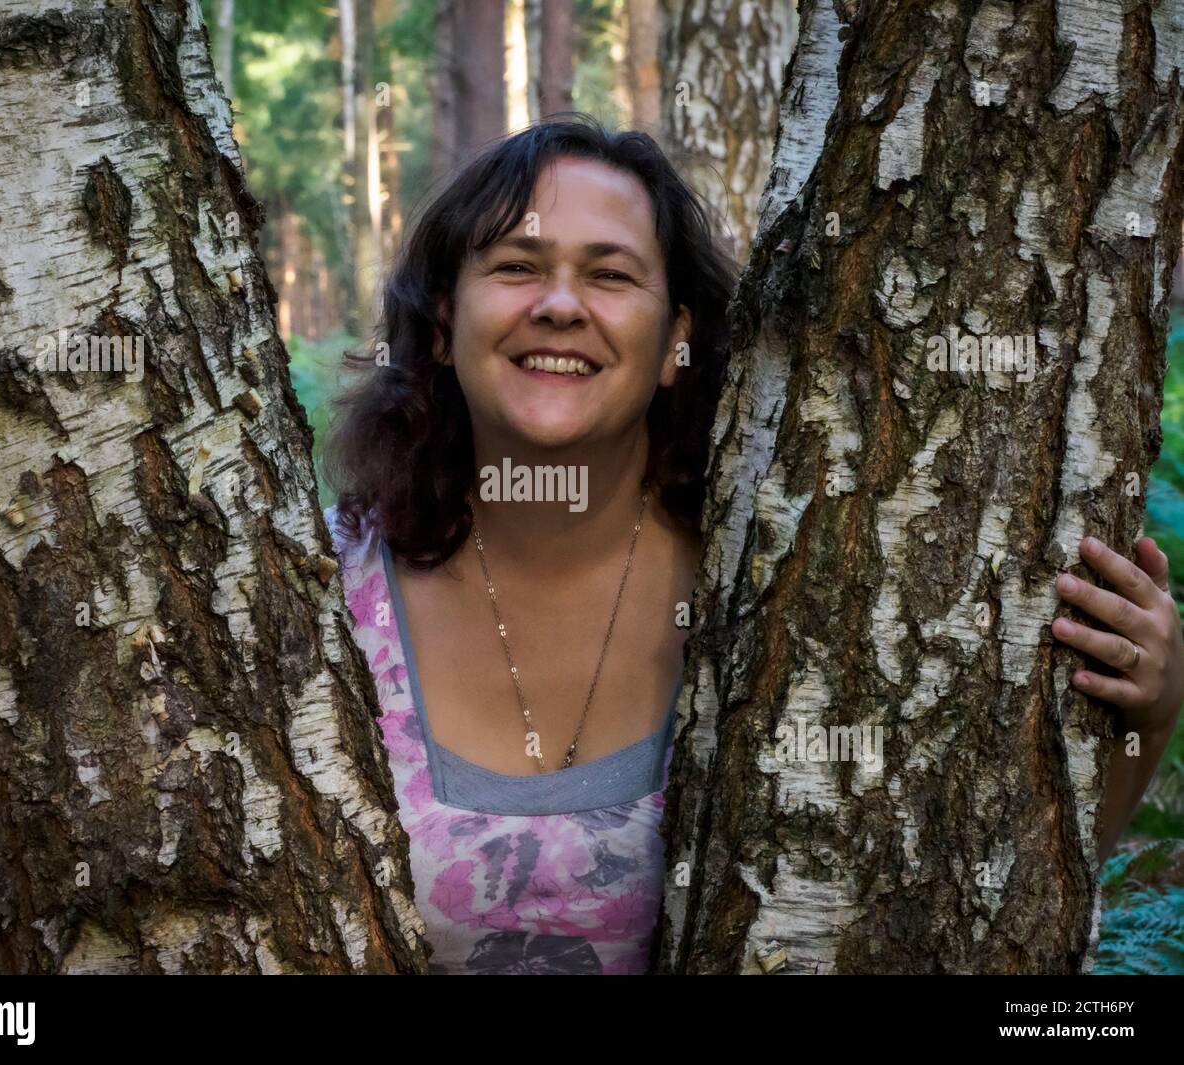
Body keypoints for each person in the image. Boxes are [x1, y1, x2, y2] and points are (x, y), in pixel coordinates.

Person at [320, 115, 1184, 975]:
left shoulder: (783, 578)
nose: (559, 304)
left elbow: (990, 905)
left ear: (676, 343)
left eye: (610, 274)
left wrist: (1146, 711)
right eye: (516, 267)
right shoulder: (326, 589)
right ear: (441, 323)